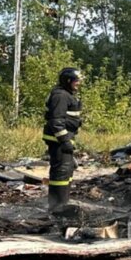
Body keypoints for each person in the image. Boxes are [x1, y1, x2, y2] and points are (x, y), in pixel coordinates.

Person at [43, 67, 83, 215]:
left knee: (66, 172)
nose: (78, 83)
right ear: (67, 81)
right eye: (76, 80)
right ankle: (56, 208)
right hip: (58, 141)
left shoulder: (67, 94)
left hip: (63, 140)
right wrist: (64, 140)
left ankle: (62, 205)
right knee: (60, 173)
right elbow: (56, 121)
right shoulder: (60, 96)